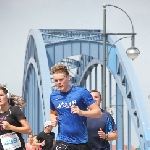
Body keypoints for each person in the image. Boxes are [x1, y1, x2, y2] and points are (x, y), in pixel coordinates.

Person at [50, 64, 102, 150]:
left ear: (68, 77)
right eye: (56, 81)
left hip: (81, 142)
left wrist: (81, 112)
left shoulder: (81, 92)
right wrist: (53, 119)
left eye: (61, 80)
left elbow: (98, 113)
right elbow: (52, 113)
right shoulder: (53, 96)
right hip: (62, 140)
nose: (58, 83)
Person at [0, 85, 32, 150]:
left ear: (7, 96)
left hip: (17, 148)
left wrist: (10, 127)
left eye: (1, 95)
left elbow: (28, 130)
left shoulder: (14, 110)